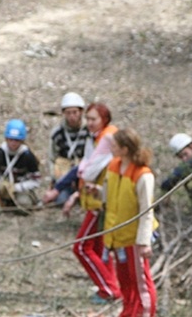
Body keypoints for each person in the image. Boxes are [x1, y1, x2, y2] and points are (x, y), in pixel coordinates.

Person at [67, 102, 121, 304]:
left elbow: (89, 170)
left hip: (100, 203)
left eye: (93, 119)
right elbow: (86, 163)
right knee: (98, 250)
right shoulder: (95, 137)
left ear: (104, 120)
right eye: (87, 119)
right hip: (94, 200)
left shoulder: (107, 138)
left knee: (81, 247)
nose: (89, 123)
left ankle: (109, 288)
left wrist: (82, 173)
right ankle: (109, 287)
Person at [101, 127, 157, 317]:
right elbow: (108, 196)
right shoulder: (113, 166)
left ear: (125, 149)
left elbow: (146, 212)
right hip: (118, 237)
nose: (112, 148)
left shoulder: (143, 175)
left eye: (115, 145)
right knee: (125, 282)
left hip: (134, 239)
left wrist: (144, 242)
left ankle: (146, 313)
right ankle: (129, 312)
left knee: (141, 283)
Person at [0, 119, 41, 216]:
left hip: (21, 190)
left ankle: (13, 203)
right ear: (6, 138)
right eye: (10, 139)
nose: (13, 143)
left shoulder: (28, 156)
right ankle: (4, 202)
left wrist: (17, 187)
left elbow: (36, 181)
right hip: (1, 190)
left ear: (22, 140)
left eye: (17, 140)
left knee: (25, 206)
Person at [42, 92, 89, 207]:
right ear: (63, 113)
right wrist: (56, 177)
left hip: (85, 171)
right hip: (64, 172)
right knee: (61, 201)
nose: (72, 116)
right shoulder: (57, 133)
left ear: (81, 112)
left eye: (75, 112)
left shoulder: (89, 130)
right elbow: (52, 158)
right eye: (68, 113)